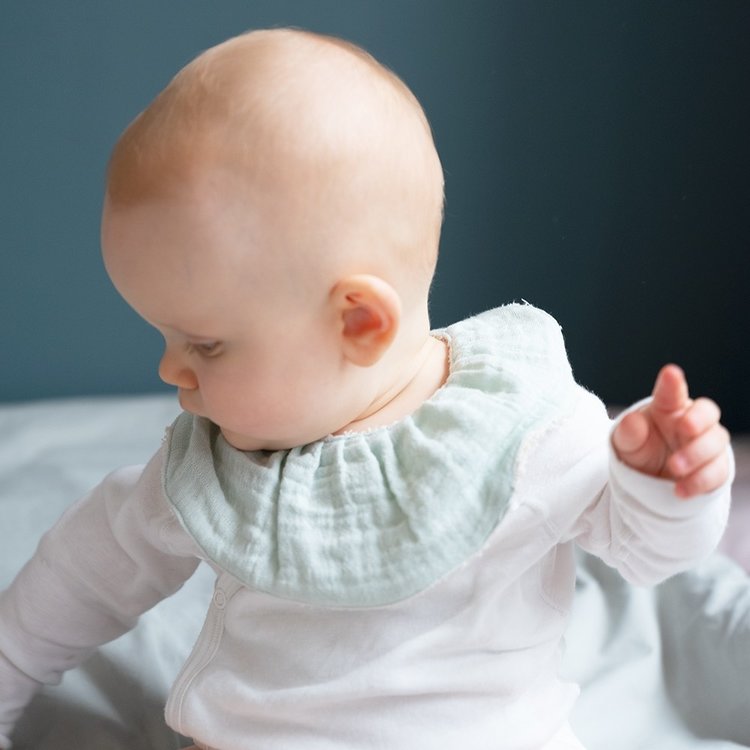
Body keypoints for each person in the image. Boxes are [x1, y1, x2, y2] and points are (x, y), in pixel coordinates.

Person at [0, 28, 733, 750]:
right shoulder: (216, 473)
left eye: (206, 344)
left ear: (358, 323)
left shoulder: (524, 433)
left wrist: (664, 488)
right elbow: (79, 579)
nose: (170, 371)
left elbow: (651, 556)